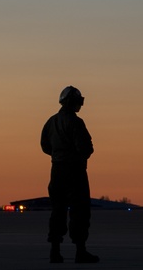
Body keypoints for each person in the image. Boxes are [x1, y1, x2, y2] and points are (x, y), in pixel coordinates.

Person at [41, 86, 99, 263]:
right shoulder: (75, 122)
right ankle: (80, 251)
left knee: (58, 210)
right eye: (77, 102)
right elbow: (86, 148)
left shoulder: (51, 122)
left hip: (57, 170)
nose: (79, 105)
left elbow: (45, 146)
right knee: (79, 210)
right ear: (70, 102)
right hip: (75, 171)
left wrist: (59, 155)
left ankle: (55, 251)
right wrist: (76, 157)